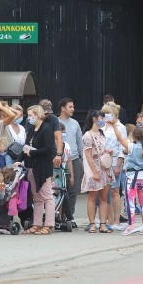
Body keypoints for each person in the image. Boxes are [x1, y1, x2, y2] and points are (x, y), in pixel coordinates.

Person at [23, 104, 57, 235]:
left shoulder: (46, 129)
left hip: (43, 167)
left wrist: (33, 153)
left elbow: (48, 149)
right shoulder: (32, 129)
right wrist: (18, 160)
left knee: (47, 196)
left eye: (31, 115)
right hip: (32, 166)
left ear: (37, 115)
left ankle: (48, 224)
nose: (29, 118)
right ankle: (36, 223)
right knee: (36, 197)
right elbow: (25, 146)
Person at [80, 109, 114, 233]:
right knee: (92, 197)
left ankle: (103, 224)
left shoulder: (102, 133)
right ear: (94, 119)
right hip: (94, 167)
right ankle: (92, 223)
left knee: (104, 197)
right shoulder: (87, 135)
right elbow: (88, 155)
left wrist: (108, 152)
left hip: (104, 168)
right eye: (101, 118)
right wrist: (93, 172)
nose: (103, 121)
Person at [102, 103, 128, 231]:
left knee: (115, 191)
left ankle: (117, 220)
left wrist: (119, 164)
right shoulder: (102, 126)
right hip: (103, 163)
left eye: (107, 114)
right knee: (105, 192)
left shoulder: (120, 127)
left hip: (114, 162)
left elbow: (122, 146)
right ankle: (109, 219)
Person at [121, 127, 143, 235]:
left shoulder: (131, 147)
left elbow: (120, 138)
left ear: (134, 136)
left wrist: (114, 124)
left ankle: (131, 225)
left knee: (130, 202)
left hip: (132, 177)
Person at [58, 97, 82, 228]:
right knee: (60, 189)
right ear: (63, 108)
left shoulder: (75, 123)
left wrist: (82, 158)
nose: (73, 109)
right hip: (59, 159)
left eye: (73, 107)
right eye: (70, 107)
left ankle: (70, 217)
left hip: (73, 159)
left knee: (72, 189)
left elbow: (79, 142)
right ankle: (58, 216)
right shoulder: (56, 122)